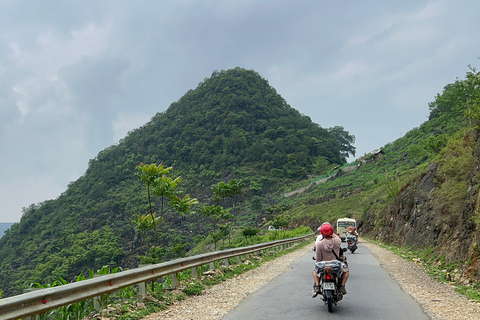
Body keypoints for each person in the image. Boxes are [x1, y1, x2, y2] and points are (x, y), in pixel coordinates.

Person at [312, 223, 349, 298]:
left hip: (323, 266)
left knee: (314, 271)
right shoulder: (337, 241)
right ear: (332, 232)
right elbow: (335, 236)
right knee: (346, 270)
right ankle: (342, 286)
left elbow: (318, 259)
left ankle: (317, 286)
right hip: (336, 265)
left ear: (322, 233)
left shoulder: (319, 244)